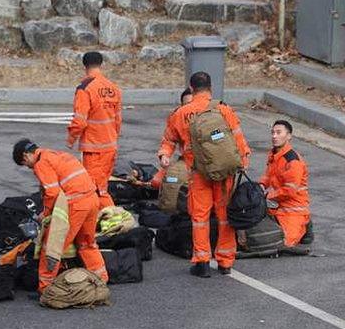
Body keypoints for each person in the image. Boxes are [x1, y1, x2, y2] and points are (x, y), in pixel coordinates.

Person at [158, 72, 251, 277]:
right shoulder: (223, 109)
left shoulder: (181, 113)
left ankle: (202, 262)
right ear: (211, 88)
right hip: (223, 172)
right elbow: (238, 139)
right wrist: (242, 162)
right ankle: (226, 261)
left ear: (191, 89)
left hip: (198, 173)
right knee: (225, 216)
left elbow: (169, 140)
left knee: (199, 217)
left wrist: (164, 155)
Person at [13, 139, 108, 293]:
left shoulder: (41, 163)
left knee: (52, 248)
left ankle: (46, 289)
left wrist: (47, 215)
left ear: (26, 156)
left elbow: (52, 192)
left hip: (76, 205)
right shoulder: (58, 154)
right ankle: (101, 279)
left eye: (25, 164)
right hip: (92, 200)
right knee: (87, 243)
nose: (29, 168)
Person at [67, 52, 122, 209]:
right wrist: (112, 138)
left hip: (94, 149)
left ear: (85, 67)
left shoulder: (85, 89)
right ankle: (107, 220)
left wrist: (71, 139)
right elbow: (118, 120)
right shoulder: (113, 88)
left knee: (94, 190)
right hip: (110, 147)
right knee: (102, 187)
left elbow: (80, 121)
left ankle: (113, 220)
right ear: (101, 64)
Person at [259, 120, 313, 247]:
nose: (274, 136)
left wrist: (267, 196)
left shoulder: (293, 161)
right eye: (272, 133)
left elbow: (289, 191)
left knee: (284, 243)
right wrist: (260, 186)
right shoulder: (274, 154)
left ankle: (305, 223)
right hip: (279, 205)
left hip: (294, 208)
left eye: (278, 133)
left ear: (289, 136)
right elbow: (268, 175)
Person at [133, 88, 193, 189]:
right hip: (186, 163)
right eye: (186, 105)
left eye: (192, 104)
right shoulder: (177, 118)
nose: (189, 109)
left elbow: (220, 138)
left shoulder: (213, 119)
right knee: (162, 181)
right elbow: (169, 141)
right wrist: (165, 155)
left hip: (207, 163)